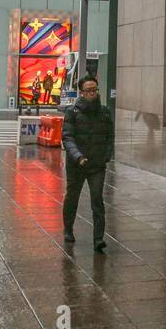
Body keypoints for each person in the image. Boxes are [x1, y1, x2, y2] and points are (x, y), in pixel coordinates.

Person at [61, 76, 113, 252]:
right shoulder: (72, 112)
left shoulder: (105, 112)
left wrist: (107, 155)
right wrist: (78, 156)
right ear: (81, 93)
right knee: (72, 197)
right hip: (77, 164)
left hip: (97, 164)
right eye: (89, 90)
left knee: (97, 199)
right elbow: (67, 138)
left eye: (95, 90)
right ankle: (68, 229)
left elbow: (110, 136)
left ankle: (98, 238)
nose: (92, 93)